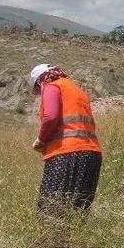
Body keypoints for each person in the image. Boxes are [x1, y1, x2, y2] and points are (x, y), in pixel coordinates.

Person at [29, 64, 102, 216]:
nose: (39, 91)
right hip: (92, 154)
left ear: (40, 80)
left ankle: (50, 240)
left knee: (50, 209)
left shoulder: (51, 86)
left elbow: (51, 117)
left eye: (37, 88)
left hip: (67, 154)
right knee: (77, 211)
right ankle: (73, 240)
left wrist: (41, 140)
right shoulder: (77, 90)